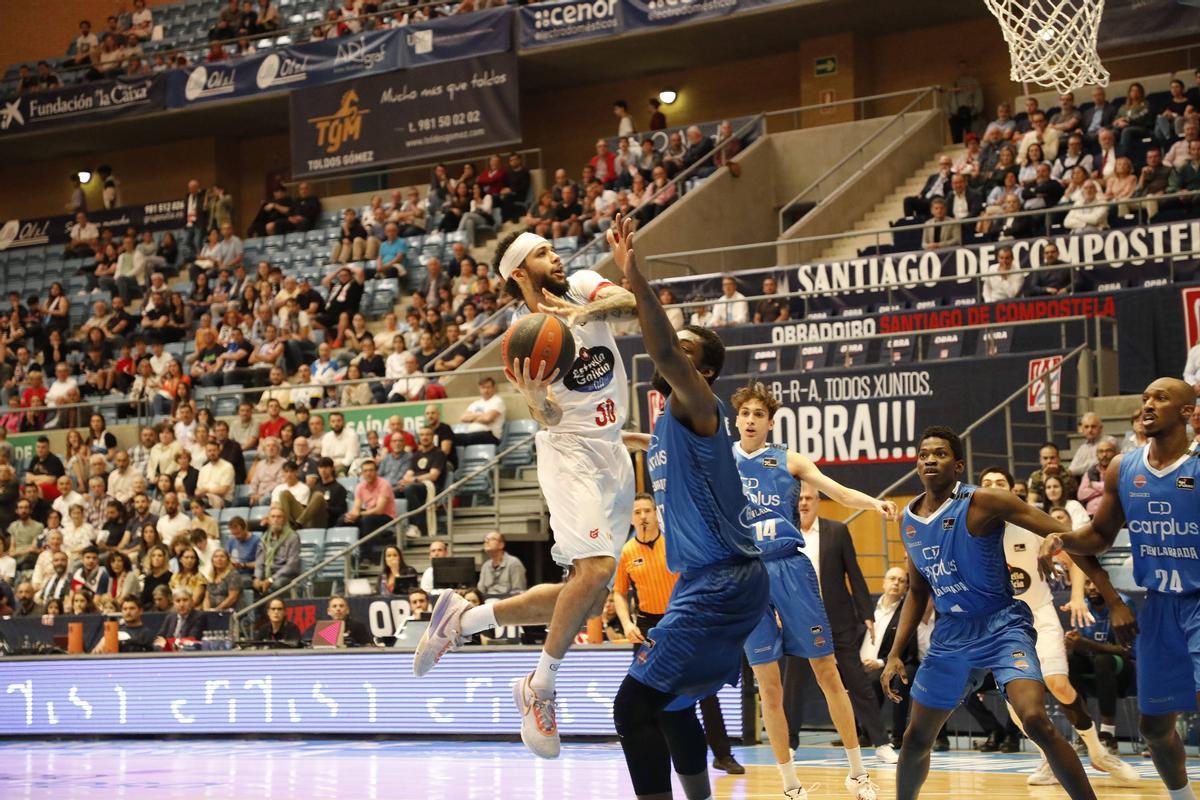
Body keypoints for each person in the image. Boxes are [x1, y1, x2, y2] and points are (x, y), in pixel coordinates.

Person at [413, 227, 640, 760]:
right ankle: (539, 687)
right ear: (519, 272)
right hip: (568, 451)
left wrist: (581, 317)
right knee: (599, 569)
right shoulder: (522, 333)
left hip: (612, 451)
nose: (555, 256)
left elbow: (628, 301)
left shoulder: (583, 285)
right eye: (541, 252)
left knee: (584, 594)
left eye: (552, 248)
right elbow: (548, 415)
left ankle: (463, 619)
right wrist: (535, 397)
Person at [880, 426, 1098, 800]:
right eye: (923, 454)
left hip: (1003, 624)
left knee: (1035, 719)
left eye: (940, 454)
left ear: (959, 465)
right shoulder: (910, 521)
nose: (930, 459)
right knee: (916, 737)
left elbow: (1065, 533)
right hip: (952, 634)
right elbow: (918, 591)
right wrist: (895, 653)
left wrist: (1096, 582)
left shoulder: (986, 503)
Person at [731, 383, 899, 796]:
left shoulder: (788, 459)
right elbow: (672, 447)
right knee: (767, 684)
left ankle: (858, 772)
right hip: (748, 574)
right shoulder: (722, 458)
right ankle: (790, 785)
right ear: (736, 420)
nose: (751, 420)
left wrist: (875, 503)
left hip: (789, 568)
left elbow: (838, 492)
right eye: (745, 413)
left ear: (770, 422)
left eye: (759, 414)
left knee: (828, 671)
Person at [1042, 377, 1200, 799]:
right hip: (1160, 607)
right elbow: (1098, 537)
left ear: (1188, 412)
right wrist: (1064, 539)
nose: (1148, 404)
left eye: (1161, 399)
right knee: (1154, 725)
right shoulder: (1123, 467)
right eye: (1145, 397)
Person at [979, 466, 1138, 785]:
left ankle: (1097, 751)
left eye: (1000, 483)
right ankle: (1048, 759)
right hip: (1001, 623)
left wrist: (1078, 595)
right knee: (1016, 702)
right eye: (986, 484)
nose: (993, 488)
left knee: (1057, 683)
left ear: (1013, 491)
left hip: (1038, 612)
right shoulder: (972, 531)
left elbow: (1076, 555)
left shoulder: (1029, 522)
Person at [612, 493, 745, 775]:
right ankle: (668, 755)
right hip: (648, 626)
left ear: (656, 514)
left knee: (706, 693)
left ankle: (723, 754)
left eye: (648, 510)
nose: (644, 515)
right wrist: (626, 623)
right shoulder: (626, 553)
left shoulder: (675, 543)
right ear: (631, 518)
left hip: (684, 620)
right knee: (650, 697)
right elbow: (619, 593)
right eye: (638, 512)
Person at [457, 377, 506, 447]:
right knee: (451, 439)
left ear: (493, 388)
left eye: (488, 387)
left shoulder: (497, 401)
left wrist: (471, 419)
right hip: (473, 435)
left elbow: (487, 419)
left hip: (490, 436)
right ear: (479, 389)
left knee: (455, 438)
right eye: (483, 387)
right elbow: (463, 418)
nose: (486, 390)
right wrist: (481, 415)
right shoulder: (475, 403)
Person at [477, 531, 527, 597]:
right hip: (487, 602)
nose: (487, 542)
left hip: (507, 602)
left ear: (501, 545)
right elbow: (480, 591)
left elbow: (519, 591)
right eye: (486, 539)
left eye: (492, 539)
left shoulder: (514, 563)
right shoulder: (485, 566)